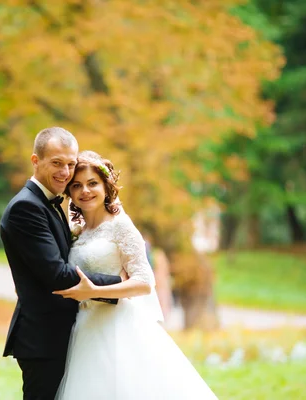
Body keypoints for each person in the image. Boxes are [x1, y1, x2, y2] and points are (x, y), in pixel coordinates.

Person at [53, 151, 218, 399]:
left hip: (118, 325)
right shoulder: (77, 231)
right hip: (85, 327)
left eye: (92, 183)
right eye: (77, 185)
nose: (85, 191)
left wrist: (95, 292)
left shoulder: (121, 225)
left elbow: (144, 282)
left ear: (106, 187)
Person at [0, 128, 123, 400]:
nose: (66, 172)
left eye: (70, 163)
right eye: (57, 163)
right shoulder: (26, 208)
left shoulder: (51, 203)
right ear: (36, 161)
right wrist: (120, 284)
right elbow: (56, 274)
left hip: (63, 334)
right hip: (43, 339)